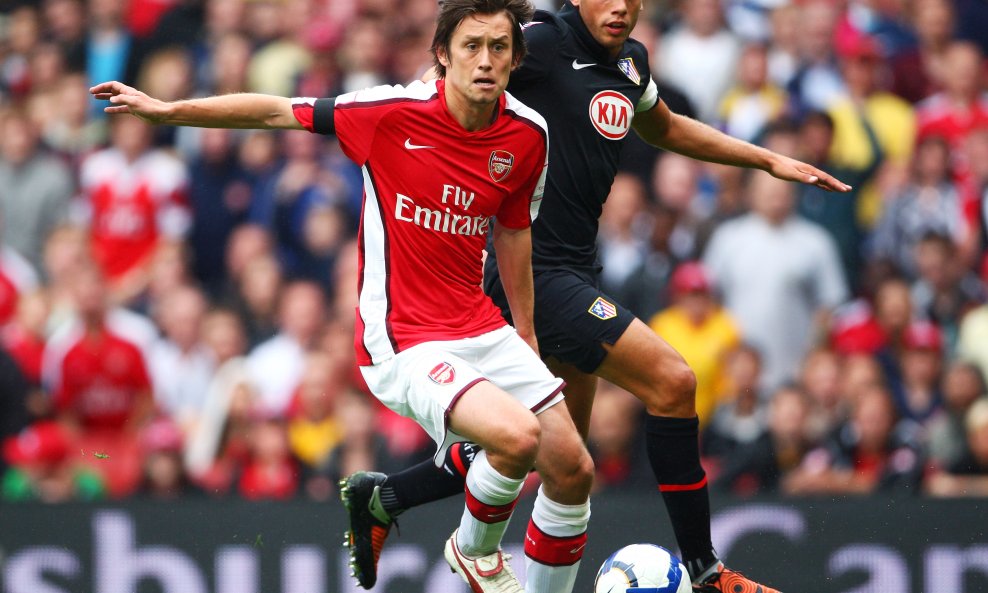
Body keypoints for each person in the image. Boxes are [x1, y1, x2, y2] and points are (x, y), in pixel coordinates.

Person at [339, 1, 851, 593]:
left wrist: (765, 159)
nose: (620, 7)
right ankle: (707, 572)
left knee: (564, 464)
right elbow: (452, 83)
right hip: (533, 274)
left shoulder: (630, 64)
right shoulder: (540, 41)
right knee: (673, 381)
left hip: (579, 269)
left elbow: (668, 129)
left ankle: (389, 495)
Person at [91, 1, 595, 592]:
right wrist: (169, 110)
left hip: (480, 325)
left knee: (574, 469)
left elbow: (512, 230)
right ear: (442, 54)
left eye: (499, 48)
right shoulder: (388, 113)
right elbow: (276, 111)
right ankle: (474, 550)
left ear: (516, 57)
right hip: (403, 338)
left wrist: (526, 334)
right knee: (517, 438)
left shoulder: (527, 135)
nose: (486, 61)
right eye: (471, 46)